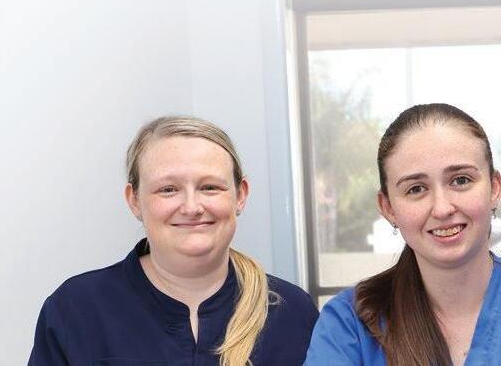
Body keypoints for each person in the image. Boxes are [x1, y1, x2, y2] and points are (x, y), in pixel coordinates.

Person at [29, 116, 318, 366]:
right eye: (168, 189)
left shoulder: (292, 311)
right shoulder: (76, 309)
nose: (192, 207)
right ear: (134, 200)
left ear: (240, 195)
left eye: (210, 187)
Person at [305, 103, 501, 366]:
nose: (442, 208)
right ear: (388, 208)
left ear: (494, 188)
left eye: (461, 180)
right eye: (416, 189)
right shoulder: (350, 324)